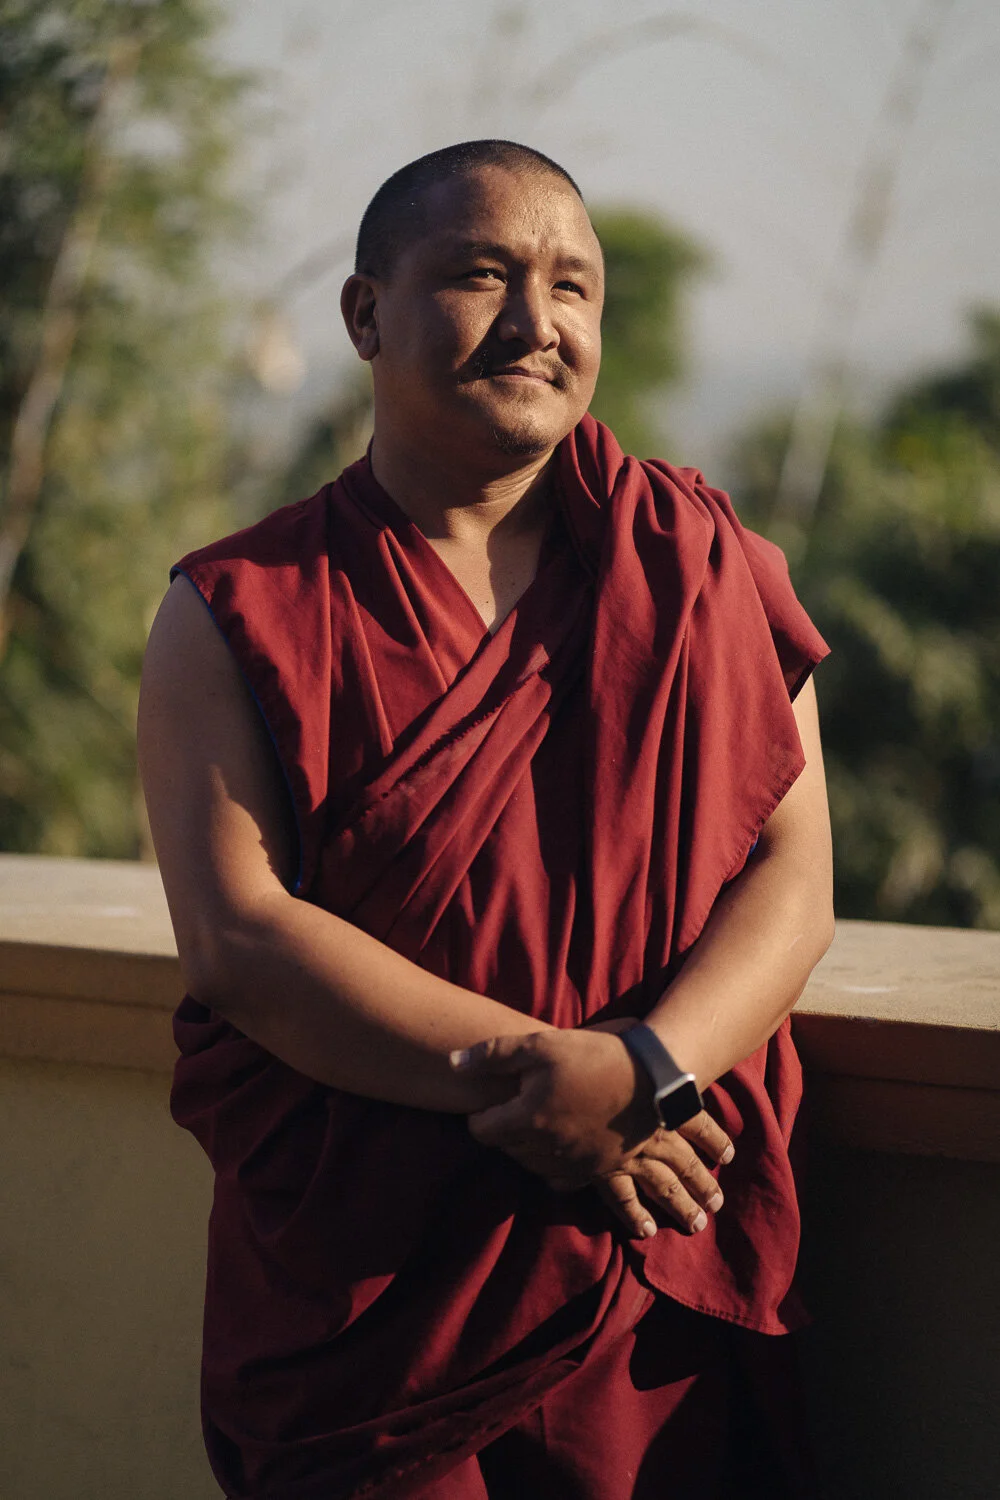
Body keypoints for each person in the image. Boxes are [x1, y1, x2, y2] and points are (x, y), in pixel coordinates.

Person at [138, 140, 834, 1500]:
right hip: (371, 1288)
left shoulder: (698, 564)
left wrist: (645, 1074)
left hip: (647, 1265)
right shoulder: (241, 606)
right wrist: (554, 1090)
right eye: (479, 276)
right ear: (365, 314)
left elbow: (794, 872)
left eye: (572, 287)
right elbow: (242, 938)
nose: (536, 322)